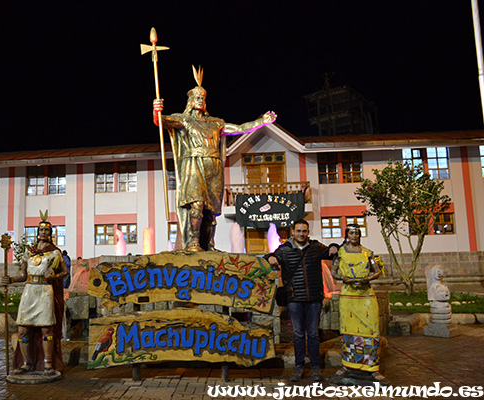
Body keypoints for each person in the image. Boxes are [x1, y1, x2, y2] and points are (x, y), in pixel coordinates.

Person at [153, 66, 276, 252]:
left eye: (203, 98)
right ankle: (193, 242)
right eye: (197, 97)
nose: (201, 100)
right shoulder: (183, 120)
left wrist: (261, 122)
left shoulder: (215, 123)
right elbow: (162, 121)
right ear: (190, 101)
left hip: (213, 166)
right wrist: (157, 110)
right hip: (193, 164)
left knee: (211, 210)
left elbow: (240, 128)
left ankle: (209, 244)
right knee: (196, 204)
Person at [266, 219, 338, 382]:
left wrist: (334, 246)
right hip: (294, 298)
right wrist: (270, 257)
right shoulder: (285, 250)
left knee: (313, 334)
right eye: (298, 231)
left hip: (314, 297)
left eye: (304, 231)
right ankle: (299, 367)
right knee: (298, 334)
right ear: (293, 232)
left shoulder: (315, 247)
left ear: (308, 232)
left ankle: (315, 368)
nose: (301, 234)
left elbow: (330, 252)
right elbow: (269, 257)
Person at [1, 218, 68, 375]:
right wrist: (10, 280)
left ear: (50, 233)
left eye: (46, 230)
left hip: (45, 291)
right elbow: (23, 275)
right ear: (37, 233)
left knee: (46, 329)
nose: (43, 232)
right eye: (41, 230)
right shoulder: (29, 252)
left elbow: (65, 272)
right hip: (29, 291)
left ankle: (48, 365)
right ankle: (27, 363)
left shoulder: (54, 252)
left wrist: (55, 275)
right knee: (23, 330)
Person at [330, 224, 388, 383]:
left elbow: (376, 271)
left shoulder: (368, 253)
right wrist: (344, 279)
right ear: (347, 235)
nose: (354, 236)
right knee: (348, 330)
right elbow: (333, 272)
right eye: (351, 233)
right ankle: (348, 365)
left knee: (371, 330)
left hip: (365, 295)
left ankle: (372, 368)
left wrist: (367, 279)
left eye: (357, 233)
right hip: (348, 296)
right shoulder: (340, 253)